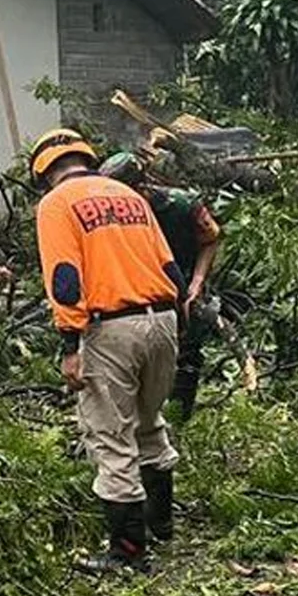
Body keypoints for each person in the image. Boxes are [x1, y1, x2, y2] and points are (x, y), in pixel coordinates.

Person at [30, 129, 184, 572]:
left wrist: (70, 345)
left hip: (112, 328)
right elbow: (169, 265)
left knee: (111, 437)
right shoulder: (128, 196)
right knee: (149, 421)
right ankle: (160, 524)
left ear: (44, 172)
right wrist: (178, 323)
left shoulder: (56, 204)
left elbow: (65, 279)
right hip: (163, 319)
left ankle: (128, 553)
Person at [100, 152, 224, 421]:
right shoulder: (109, 215)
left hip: (185, 277)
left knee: (189, 350)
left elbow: (211, 237)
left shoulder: (180, 204)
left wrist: (196, 283)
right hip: (144, 288)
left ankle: (179, 417)